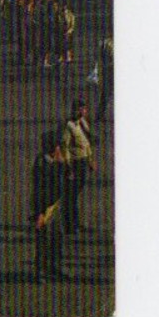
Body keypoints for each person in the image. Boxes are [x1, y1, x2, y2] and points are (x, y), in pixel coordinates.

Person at [31, 130, 67, 284]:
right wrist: (39, 213)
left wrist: (61, 164)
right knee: (43, 241)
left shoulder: (54, 161)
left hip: (56, 205)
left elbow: (66, 178)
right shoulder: (41, 164)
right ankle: (40, 272)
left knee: (57, 239)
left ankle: (54, 268)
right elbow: (39, 191)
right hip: (45, 208)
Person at [61, 98, 96, 236]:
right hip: (74, 164)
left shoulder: (82, 123)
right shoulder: (69, 125)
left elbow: (86, 143)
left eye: (84, 109)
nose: (84, 111)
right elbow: (65, 147)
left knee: (75, 195)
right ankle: (70, 226)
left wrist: (90, 160)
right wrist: (68, 168)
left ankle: (74, 223)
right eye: (82, 109)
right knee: (71, 196)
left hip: (82, 162)